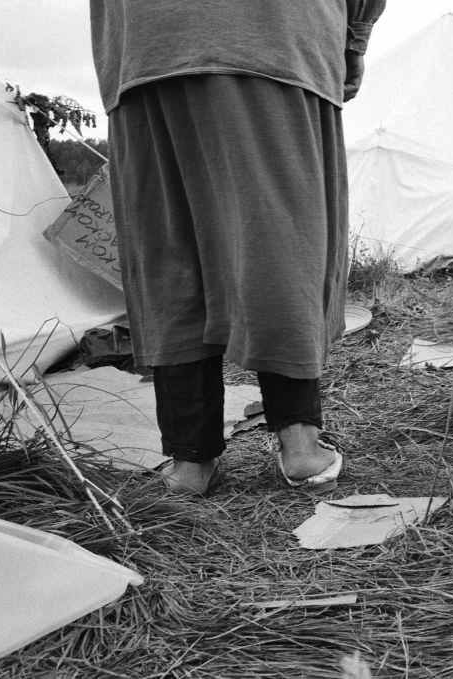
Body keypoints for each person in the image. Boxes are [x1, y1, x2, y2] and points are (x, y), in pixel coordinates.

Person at [90, 0, 387, 495]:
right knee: (277, 237)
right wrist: (354, 40)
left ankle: (190, 461)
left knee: (167, 249)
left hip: (141, 45)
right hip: (272, 35)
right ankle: (300, 447)